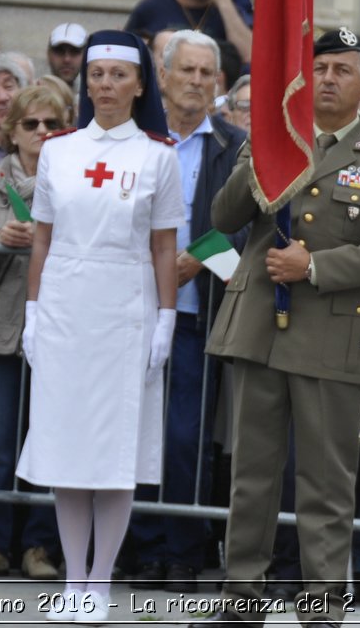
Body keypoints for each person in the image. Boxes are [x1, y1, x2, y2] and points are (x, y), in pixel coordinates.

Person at [204, 27, 360, 627]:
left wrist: (315, 265)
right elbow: (223, 218)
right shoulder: (275, 140)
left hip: (330, 334)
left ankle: (322, 606)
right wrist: (264, 147)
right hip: (258, 329)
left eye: (341, 70)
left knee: (325, 483)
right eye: (318, 68)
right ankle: (242, 597)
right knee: (251, 474)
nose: (327, 79)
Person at [16, 30, 183, 623]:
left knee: (115, 451)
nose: (106, 87)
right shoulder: (59, 151)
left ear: (140, 85)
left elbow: (166, 249)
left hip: (124, 311)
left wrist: (165, 319)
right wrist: (33, 313)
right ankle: (72, 577)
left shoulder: (158, 156)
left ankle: (100, 582)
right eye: (97, 75)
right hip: (65, 306)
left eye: (118, 76)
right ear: (84, 82)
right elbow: (42, 239)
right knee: (67, 448)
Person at [126, 30, 247, 593]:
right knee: (133, 432)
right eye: (187, 71)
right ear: (164, 76)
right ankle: (141, 549)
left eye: (207, 73)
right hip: (128, 311)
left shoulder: (233, 145)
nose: (197, 81)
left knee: (183, 438)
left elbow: (245, 223)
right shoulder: (136, 140)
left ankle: (180, 552)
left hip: (197, 314)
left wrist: (194, 261)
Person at [0, 84, 67, 581]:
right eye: (32, 125)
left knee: (49, 438)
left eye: (53, 124)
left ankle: (40, 547)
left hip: (59, 329)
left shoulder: (76, 181)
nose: (42, 133)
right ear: (12, 131)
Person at [47, 23, 88, 88]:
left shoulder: (97, 96)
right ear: (48, 54)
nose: (66, 59)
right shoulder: (35, 96)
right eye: (59, 51)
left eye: (75, 51)